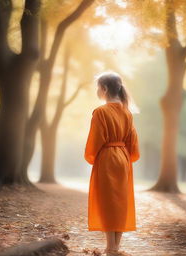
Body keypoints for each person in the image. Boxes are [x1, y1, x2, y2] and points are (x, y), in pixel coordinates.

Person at [84, 71, 140, 256]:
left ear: (104, 88)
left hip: (107, 158)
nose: (97, 90)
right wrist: (126, 156)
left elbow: (95, 140)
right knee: (120, 202)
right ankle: (115, 248)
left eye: (98, 87)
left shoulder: (100, 112)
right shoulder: (128, 113)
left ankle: (110, 248)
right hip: (123, 158)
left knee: (107, 202)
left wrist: (91, 157)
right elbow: (133, 144)